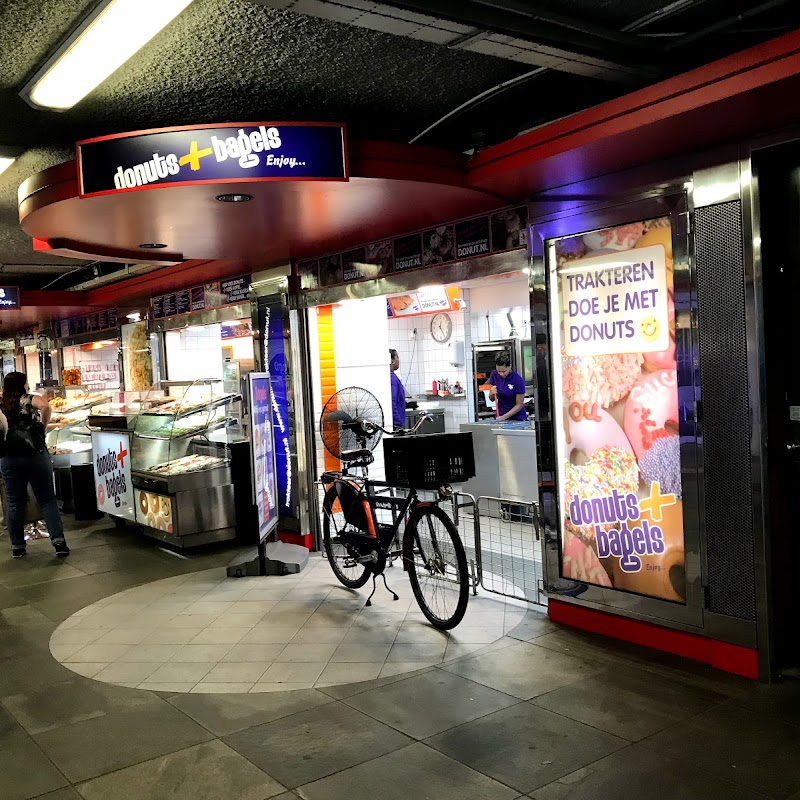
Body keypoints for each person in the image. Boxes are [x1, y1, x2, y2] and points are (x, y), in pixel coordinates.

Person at [0, 372, 69, 559]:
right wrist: (42, 426)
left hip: (9, 457)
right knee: (47, 499)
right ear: (23, 384)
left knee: (14, 501)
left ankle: (17, 546)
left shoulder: (1, 403)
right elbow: (45, 405)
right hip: (35, 453)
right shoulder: (26, 399)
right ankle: (58, 542)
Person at [488, 354, 528, 422]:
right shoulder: (494, 375)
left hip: (517, 418)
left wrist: (504, 417)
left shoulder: (517, 380)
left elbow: (519, 404)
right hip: (500, 416)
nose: (501, 374)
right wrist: (491, 393)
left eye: (504, 371)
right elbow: (491, 399)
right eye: (499, 371)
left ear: (510, 366)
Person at [390, 349, 406, 430]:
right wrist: (398, 423)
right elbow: (392, 402)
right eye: (397, 357)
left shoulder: (392, 377)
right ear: (392, 361)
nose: (398, 360)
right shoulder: (392, 378)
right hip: (396, 425)